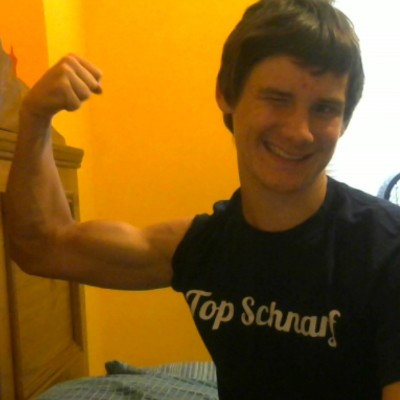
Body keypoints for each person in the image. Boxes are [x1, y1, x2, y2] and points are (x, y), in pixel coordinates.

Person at [4, 0, 400, 398]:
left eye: (325, 109)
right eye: (277, 98)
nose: (300, 132)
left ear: (344, 120)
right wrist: (34, 118)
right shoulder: (205, 249)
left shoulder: (386, 251)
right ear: (226, 94)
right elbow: (42, 247)